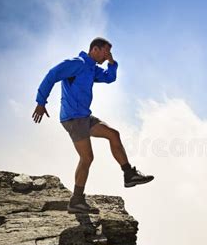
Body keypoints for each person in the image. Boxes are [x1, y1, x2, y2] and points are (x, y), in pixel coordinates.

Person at [32, 37, 154, 214]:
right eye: (106, 52)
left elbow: (109, 78)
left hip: (84, 116)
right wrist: (41, 102)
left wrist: (112, 63)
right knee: (87, 158)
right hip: (73, 118)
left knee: (113, 134)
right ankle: (76, 201)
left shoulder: (92, 69)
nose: (107, 56)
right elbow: (52, 75)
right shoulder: (77, 63)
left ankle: (129, 175)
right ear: (95, 50)